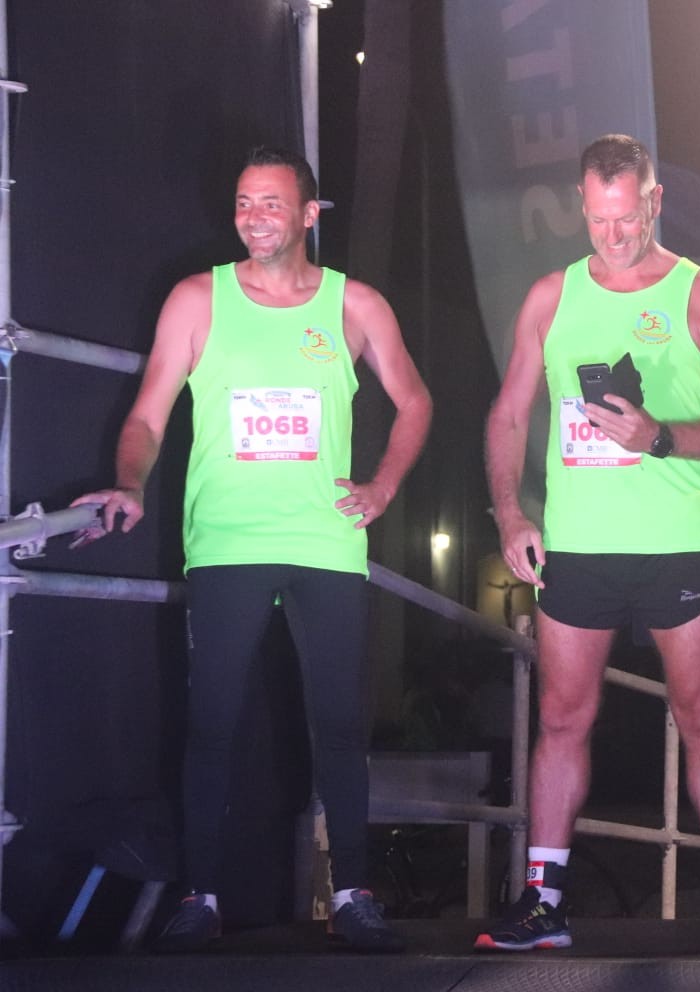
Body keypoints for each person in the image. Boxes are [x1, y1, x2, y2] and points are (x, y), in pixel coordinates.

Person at [73, 145, 433, 952]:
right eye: (244, 202)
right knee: (212, 723)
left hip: (325, 543)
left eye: (271, 202)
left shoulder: (354, 305)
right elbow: (147, 415)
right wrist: (129, 481)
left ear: (309, 214)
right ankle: (201, 897)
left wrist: (381, 487)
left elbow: (414, 401)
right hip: (227, 543)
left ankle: (354, 895)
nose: (254, 217)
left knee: (339, 725)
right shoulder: (197, 298)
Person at [480, 134, 700, 954]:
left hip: (675, 543)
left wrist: (661, 436)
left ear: (654, 202)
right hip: (578, 547)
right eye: (600, 219)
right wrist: (510, 514)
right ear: (583, 206)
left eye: (629, 217)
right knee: (562, 718)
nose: (615, 234)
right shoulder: (550, 297)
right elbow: (509, 414)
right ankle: (544, 901)